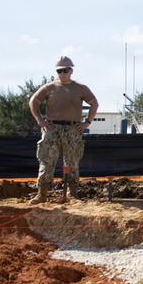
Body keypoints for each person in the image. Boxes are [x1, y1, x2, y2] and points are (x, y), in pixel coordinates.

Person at [28, 56, 98, 203]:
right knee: (46, 161)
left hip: (73, 129)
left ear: (71, 70)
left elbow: (94, 103)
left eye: (65, 70)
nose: (62, 74)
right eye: (59, 71)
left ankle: (72, 193)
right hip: (52, 128)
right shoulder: (49, 87)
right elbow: (33, 101)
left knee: (72, 161)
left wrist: (87, 122)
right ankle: (42, 193)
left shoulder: (80, 88)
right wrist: (39, 120)